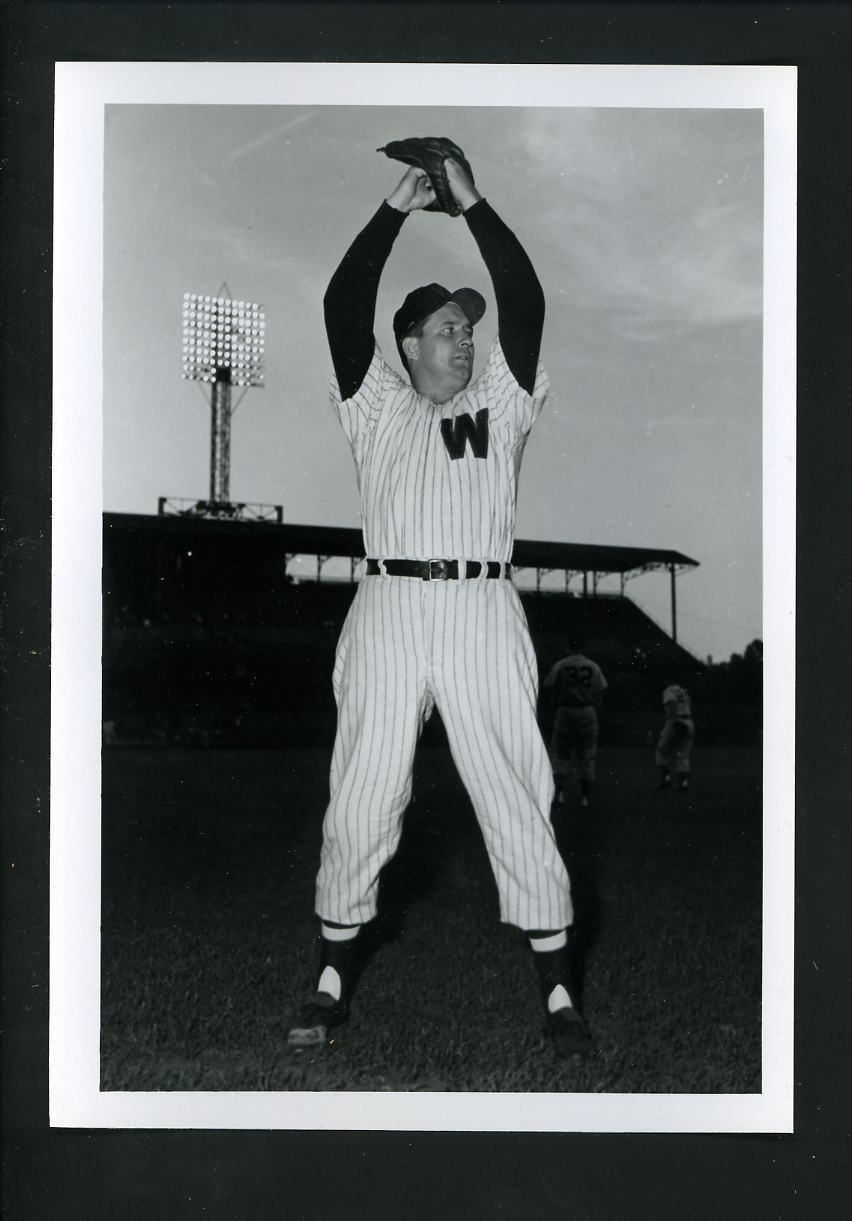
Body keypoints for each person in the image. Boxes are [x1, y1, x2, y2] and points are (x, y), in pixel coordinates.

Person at [286, 148, 591, 1060]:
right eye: (448, 328)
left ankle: (560, 989)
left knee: (515, 788)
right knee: (365, 790)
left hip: (481, 607)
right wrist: (393, 207)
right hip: (385, 603)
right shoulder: (375, 405)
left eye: (467, 328)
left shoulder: (499, 401)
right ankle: (332, 974)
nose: (464, 339)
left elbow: (526, 299)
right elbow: (343, 305)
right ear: (409, 342)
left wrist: (469, 203)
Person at [542, 634, 608, 809]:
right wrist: (599, 718)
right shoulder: (593, 666)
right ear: (583, 646)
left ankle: (560, 794)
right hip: (587, 710)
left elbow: (552, 692)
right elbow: (599, 695)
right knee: (587, 755)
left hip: (565, 710)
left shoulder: (561, 664)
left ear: (568, 645)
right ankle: (585, 798)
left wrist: (550, 715)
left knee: (560, 753)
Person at [655, 680, 695, 791]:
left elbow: (672, 704)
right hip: (689, 721)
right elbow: (689, 705)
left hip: (676, 720)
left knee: (661, 751)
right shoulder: (682, 690)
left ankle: (666, 779)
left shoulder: (668, 690)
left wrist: (672, 724)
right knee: (683, 753)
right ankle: (684, 783)